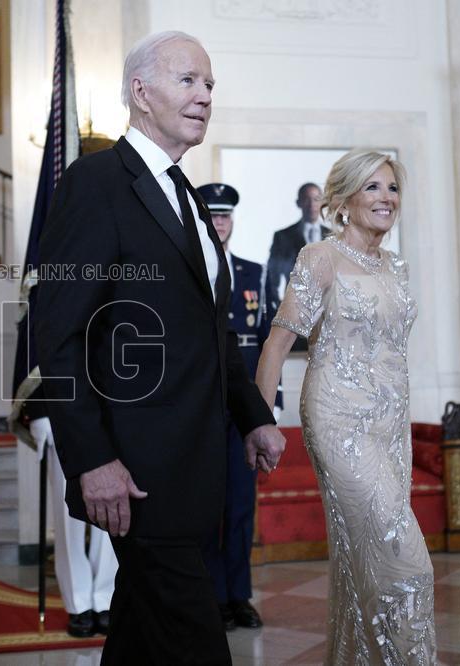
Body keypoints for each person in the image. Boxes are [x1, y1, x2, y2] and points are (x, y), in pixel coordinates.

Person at [34, 31, 286, 664]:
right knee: (197, 640)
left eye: (209, 86)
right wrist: (91, 459)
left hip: (194, 468)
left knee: (142, 635)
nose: (204, 97)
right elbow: (57, 333)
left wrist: (252, 415)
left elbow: (212, 332)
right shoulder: (96, 183)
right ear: (140, 93)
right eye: (188, 81)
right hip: (133, 472)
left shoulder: (190, 201)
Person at [255, 149, 435, 662]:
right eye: (373, 187)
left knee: (368, 560)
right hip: (339, 421)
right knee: (408, 562)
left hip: (389, 424)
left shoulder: (395, 266)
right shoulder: (321, 258)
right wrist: (259, 423)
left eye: (393, 188)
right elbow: (277, 342)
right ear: (344, 199)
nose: (386, 198)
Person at [197, 182, 284, 632]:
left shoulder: (252, 272)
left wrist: (268, 406)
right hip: (203, 408)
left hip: (243, 409)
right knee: (207, 507)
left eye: (226, 216)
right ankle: (211, 595)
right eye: (213, 216)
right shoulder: (193, 268)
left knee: (240, 505)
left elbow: (270, 337)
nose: (220, 223)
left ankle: (238, 596)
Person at [28, 414, 117, 637]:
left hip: (114, 413)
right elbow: (33, 377)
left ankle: (105, 598)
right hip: (62, 415)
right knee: (67, 515)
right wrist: (38, 411)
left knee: (112, 507)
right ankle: (78, 603)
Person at [265, 182, 330, 306]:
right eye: (306, 199)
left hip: (327, 310)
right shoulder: (283, 237)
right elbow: (272, 277)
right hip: (294, 308)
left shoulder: (333, 236)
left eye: (316, 199)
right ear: (298, 203)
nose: (311, 205)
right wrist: (278, 306)